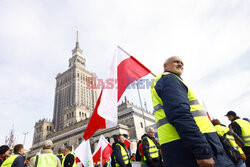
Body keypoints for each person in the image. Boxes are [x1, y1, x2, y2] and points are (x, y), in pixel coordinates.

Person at [150, 56, 234, 167]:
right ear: (165, 66)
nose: (180, 64)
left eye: (182, 63)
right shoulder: (169, 79)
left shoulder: (169, 80)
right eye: (176, 62)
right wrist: (202, 151)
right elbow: (180, 115)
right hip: (190, 151)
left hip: (182, 148)